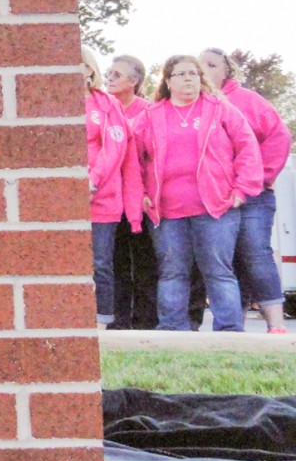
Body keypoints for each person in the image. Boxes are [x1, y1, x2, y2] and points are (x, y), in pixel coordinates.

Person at [131, 55, 263, 331]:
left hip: (216, 208)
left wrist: (241, 191)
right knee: (172, 273)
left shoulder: (220, 110)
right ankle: (171, 331)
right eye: (180, 74)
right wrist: (140, 193)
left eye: (193, 73)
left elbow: (248, 149)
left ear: (201, 79)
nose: (188, 78)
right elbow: (133, 159)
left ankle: (229, 331)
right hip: (166, 211)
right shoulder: (151, 116)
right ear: (167, 81)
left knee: (218, 272)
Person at [199, 48, 291, 334]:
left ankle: (275, 324)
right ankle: (231, 327)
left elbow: (280, 137)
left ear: (227, 70)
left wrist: (259, 179)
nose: (205, 70)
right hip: (216, 198)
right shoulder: (195, 105)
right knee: (224, 260)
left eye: (212, 65)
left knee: (255, 253)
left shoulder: (248, 101)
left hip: (252, 197)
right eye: (200, 65)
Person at [83, 48, 143, 329]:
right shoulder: (53, 101)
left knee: (101, 264)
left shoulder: (107, 104)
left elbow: (115, 148)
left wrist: (92, 180)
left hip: (101, 198)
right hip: (62, 201)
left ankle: (101, 323)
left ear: (88, 70)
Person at [103, 54, 158, 329]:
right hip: (112, 199)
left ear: (134, 82)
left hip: (143, 200)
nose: (109, 78)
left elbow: (154, 157)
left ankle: (147, 321)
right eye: (109, 73)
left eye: (116, 74)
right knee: (116, 263)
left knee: (146, 262)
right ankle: (118, 321)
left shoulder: (149, 111)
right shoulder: (103, 109)